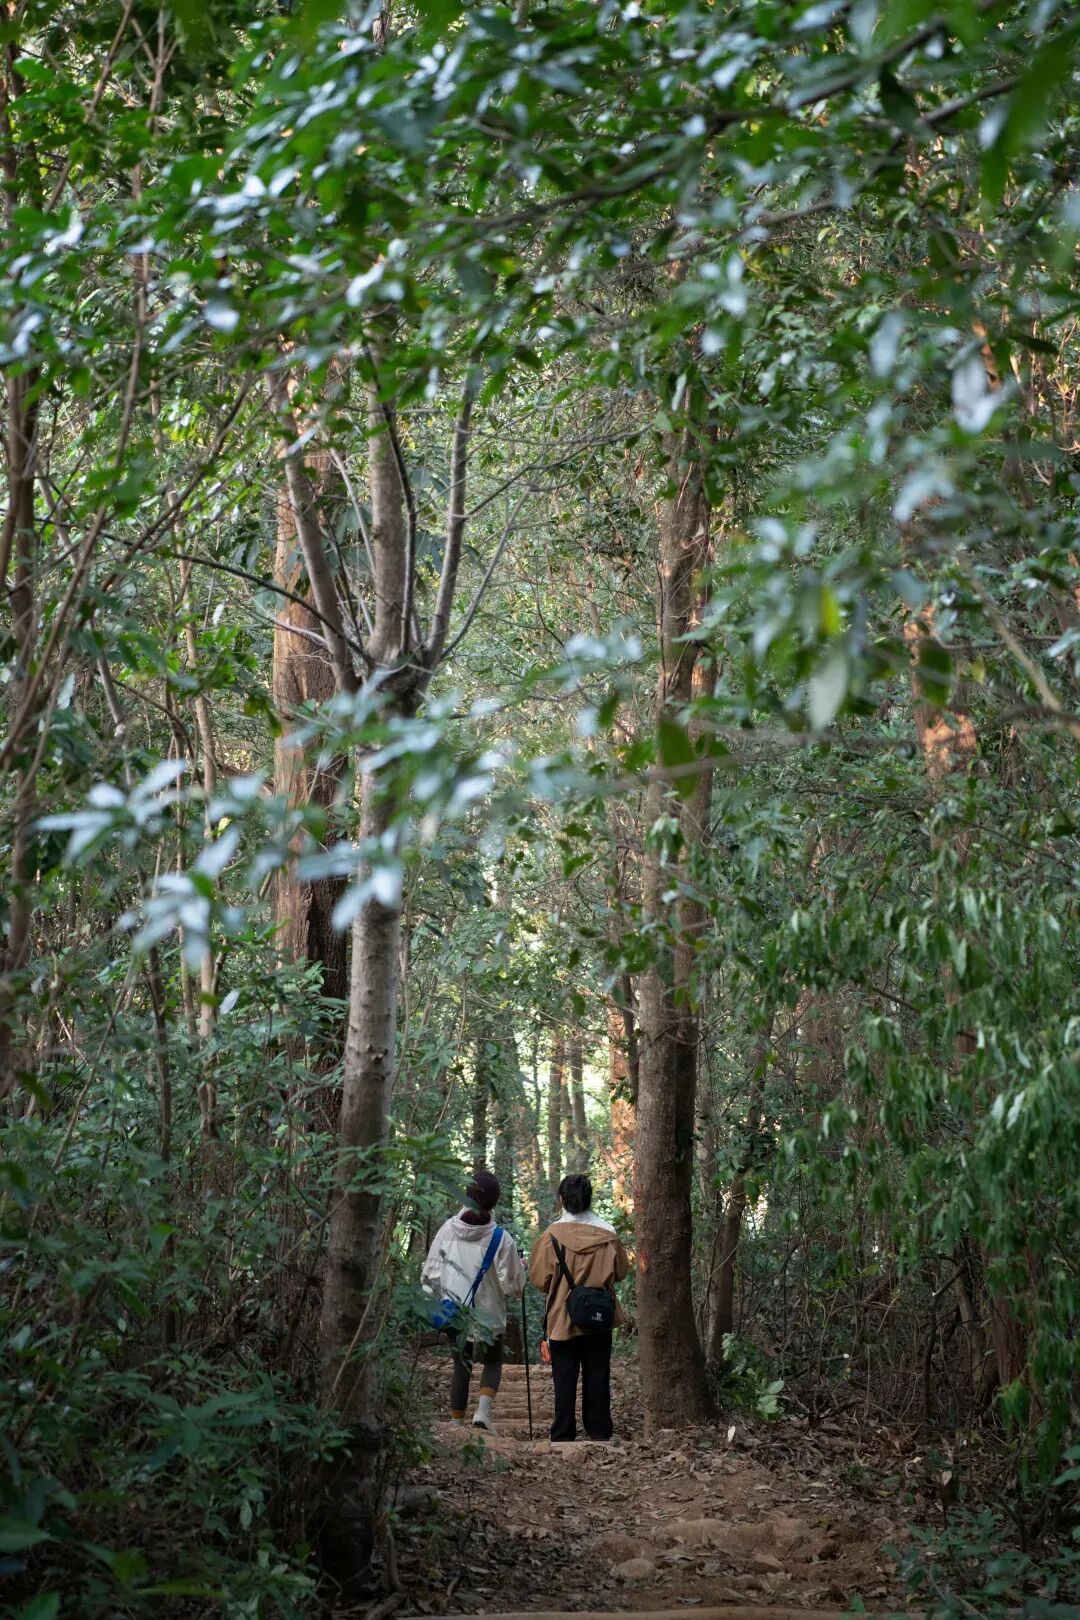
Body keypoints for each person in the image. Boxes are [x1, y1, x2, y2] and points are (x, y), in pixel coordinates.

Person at [421, 1168, 525, 1433]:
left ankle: (456, 1425)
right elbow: (513, 1285)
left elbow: (430, 1272)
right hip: (489, 1314)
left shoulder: (448, 1229)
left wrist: (441, 1293)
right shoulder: (502, 1238)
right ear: (495, 1201)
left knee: (461, 1367)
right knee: (492, 1362)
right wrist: (521, 1268)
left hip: (455, 1311)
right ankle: (483, 1414)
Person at [528, 1172, 629, 1443]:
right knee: (598, 1375)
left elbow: (540, 1280)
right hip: (599, 1316)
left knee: (564, 1378)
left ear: (562, 1200)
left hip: (562, 1318)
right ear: (590, 1199)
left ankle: (562, 1434)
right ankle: (598, 1431)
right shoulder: (608, 1234)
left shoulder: (551, 1236)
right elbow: (621, 1271)